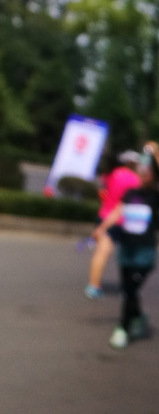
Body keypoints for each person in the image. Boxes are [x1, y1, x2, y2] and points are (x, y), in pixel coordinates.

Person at [92, 143, 159, 349]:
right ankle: (137, 316)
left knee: (130, 290)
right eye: (141, 169)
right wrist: (101, 228)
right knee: (130, 291)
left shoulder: (156, 196)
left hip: (144, 253)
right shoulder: (130, 193)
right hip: (126, 251)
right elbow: (117, 211)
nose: (144, 172)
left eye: (148, 170)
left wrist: (155, 152)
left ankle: (123, 328)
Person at [85, 150, 141, 299]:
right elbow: (123, 205)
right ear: (132, 163)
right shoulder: (134, 179)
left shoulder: (112, 174)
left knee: (100, 254)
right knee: (129, 257)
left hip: (103, 216)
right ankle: (128, 288)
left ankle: (93, 286)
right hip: (121, 221)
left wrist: (100, 227)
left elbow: (103, 193)